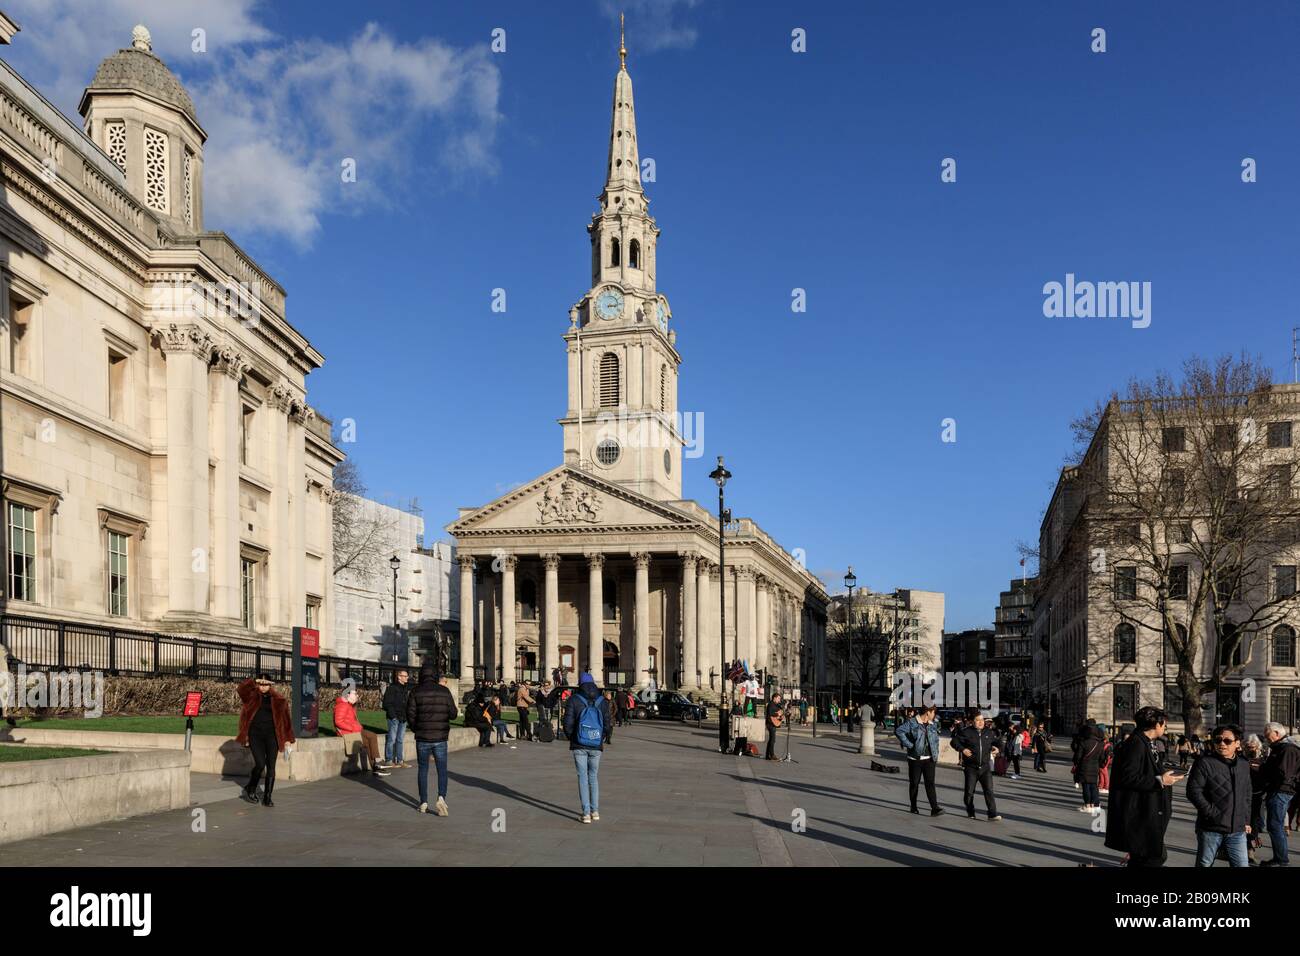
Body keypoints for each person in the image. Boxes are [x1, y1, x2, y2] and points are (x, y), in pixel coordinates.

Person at [1104, 706, 1181, 867]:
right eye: (1164, 724)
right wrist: (1160, 780)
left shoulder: (1145, 742)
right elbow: (1128, 777)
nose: (1165, 728)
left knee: (1151, 857)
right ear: (1156, 725)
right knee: (1152, 857)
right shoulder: (1136, 744)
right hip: (1139, 813)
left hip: (1146, 812)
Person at [1186, 723, 1252, 867]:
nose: (1222, 744)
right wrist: (1211, 813)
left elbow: (1247, 793)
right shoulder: (1204, 762)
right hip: (1211, 828)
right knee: (1204, 863)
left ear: (1237, 743)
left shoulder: (1243, 764)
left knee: (1242, 864)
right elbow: (1193, 791)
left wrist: (1246, 820)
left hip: (1237, 829)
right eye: (1218, 740)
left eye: (1227, 741)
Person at [235, 673, 296, 806]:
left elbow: (286, 721)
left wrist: (287, 739)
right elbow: (241, 689)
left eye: (266, 684)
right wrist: (252, 680)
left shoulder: (280, 700)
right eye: (260, 684)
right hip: (255, 735)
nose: (263, 687)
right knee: (260, 764)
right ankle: (251, 787)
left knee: (271, 766)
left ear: (270, 685)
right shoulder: (251, 696)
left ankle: (267, 797)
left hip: (272, 736)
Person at [406, 666, 458, 816]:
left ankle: (423, 802)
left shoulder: (416, 691)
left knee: (423, 769)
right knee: (442, 770)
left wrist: (416, 728)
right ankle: (441, 797)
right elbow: (453, 714)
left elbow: (410, 714)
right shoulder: (444, 691)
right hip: (440, 737)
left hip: (422, 737)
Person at [563, 672, 611, 823]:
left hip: (579, 743)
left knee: (582, 777)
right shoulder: (603, 701)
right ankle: (595, 811)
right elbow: (608, 723)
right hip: (596, 743)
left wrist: (572, 737)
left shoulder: (574, 699)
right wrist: (601, 737)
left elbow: (567, 723)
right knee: (593, 777)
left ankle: (586, 813)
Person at [1260, 722, 1300, 866]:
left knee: (1275, 825)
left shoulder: (1288, 749)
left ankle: (1281, 860)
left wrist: (1264, 769)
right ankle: (1279, 858)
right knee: (1274, 825)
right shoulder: (1282, 748)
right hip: (1280, 789)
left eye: (1267, 734)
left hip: (1281, 790)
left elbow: (1283, 773)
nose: (1265, 737)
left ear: (1277, 733)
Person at [895, 705, 944, 816]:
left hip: (929, 759)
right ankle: (913, 806)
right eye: (933, 712)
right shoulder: (912, 722)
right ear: (928, 712)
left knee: (930, 783)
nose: (934, 715)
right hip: (915, 759)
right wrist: (909, 745)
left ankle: (934, 808)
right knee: (914, 783)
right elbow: (899, 731)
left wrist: (935, 754)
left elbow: (935, 740)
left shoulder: (933, 724)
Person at [952, 710, 1001, 821]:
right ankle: (970, 811)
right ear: (971, 722)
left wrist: (998, 749)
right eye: (977, 720)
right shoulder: (966, 732)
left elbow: (998, 743)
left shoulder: (989, 732)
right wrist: (963, 749)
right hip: (971, 768)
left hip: (985, 767)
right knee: (969, 792)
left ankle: (992, 814)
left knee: (989, 790)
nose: (980, 722)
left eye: (982, 720)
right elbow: (954, 742)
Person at [333, 682, 391, 776]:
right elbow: (338, 722)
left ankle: (377, 764)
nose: (357, 695)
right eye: (355, 694)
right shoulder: (342, 705)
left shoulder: (349, 705)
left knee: (372, 736)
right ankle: (376, 764)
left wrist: (356, 727)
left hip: (356, 730)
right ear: (347, 695)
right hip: (350, 733)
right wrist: (352, 728)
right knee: (369, 741)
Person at [381, 669, 411, 769]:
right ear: (399, 677)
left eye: (407, 676)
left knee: (400, 740)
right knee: (391, 739)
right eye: (405, 676)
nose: (407, 678)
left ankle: (400, 760)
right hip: (394, 718)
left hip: (403, 718)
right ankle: (389, 760)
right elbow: (386, 704)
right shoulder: (392, 688)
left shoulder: (406, 688)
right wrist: (393, 716)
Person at [1073, 719, 1105, 813]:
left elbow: (1078, 756)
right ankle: (1095, 804)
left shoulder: (1084, 742)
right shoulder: (1100, 744)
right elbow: (1102, 757)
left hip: (1084, 766)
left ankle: (1087, 805)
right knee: (1094, 786)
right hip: (1095, 767)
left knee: (1086, 786)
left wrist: (1076, 763)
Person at [765, 691, 785, 761]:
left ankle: (767, 755)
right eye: (778, 698)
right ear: (774, 698)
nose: (779, 700)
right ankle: (772, 755)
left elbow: (780, 712)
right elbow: (771, 713)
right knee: (772, 740)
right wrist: (778, 715)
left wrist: (781, 716)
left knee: (771, 740)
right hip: (770, 724)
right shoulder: (771, 704)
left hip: (773, 723)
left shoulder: (777, 705)